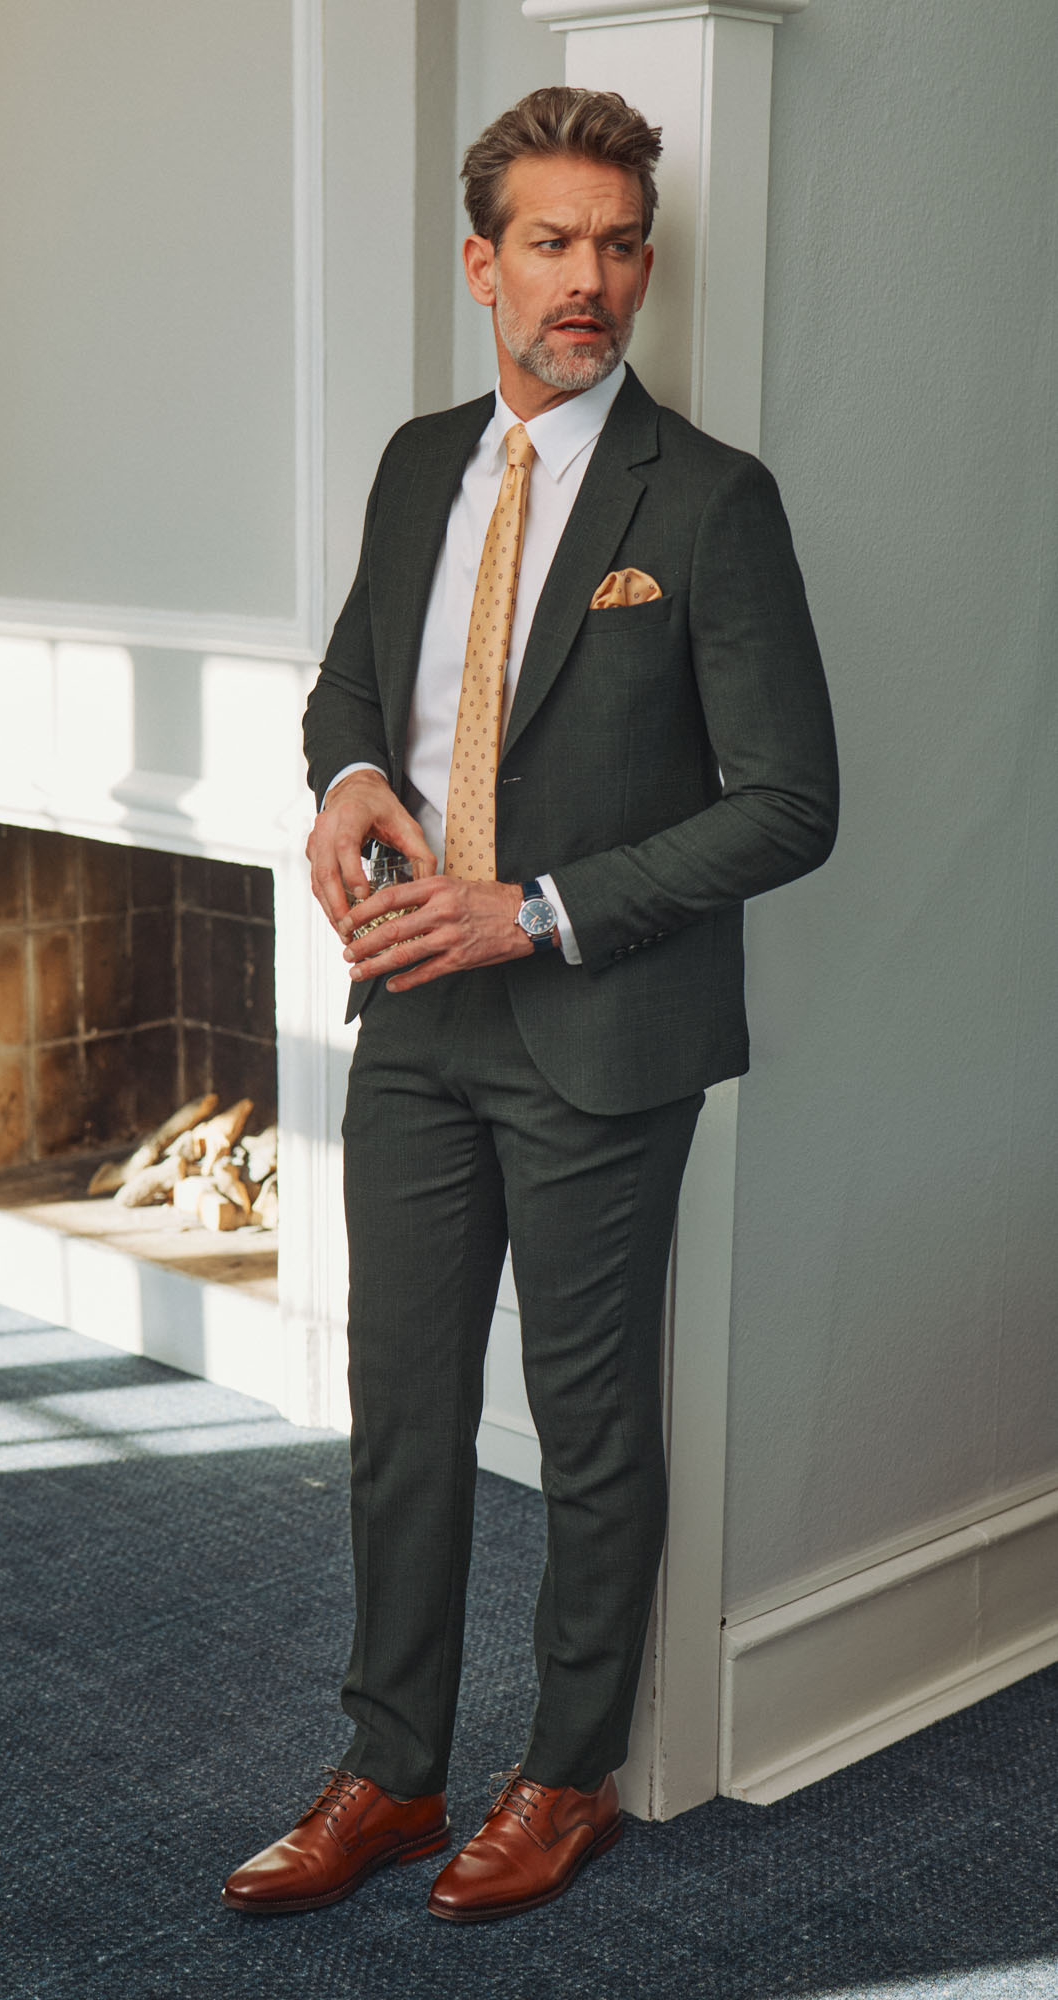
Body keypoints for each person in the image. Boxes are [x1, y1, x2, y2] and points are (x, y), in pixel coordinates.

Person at [222, 86, 838, 1924]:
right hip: (414, 1017)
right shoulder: (422, 463)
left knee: (589, 1432)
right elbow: (353, 687)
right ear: (482, 264)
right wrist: (343, 788)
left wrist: (540, 910)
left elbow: (789, 805)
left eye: (621, 244)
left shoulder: (712, 499)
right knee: (403, 1409)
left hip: (598, 1029)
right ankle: (390, 1771)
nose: (593, 281)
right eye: (555, 245)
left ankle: (565, 1776)